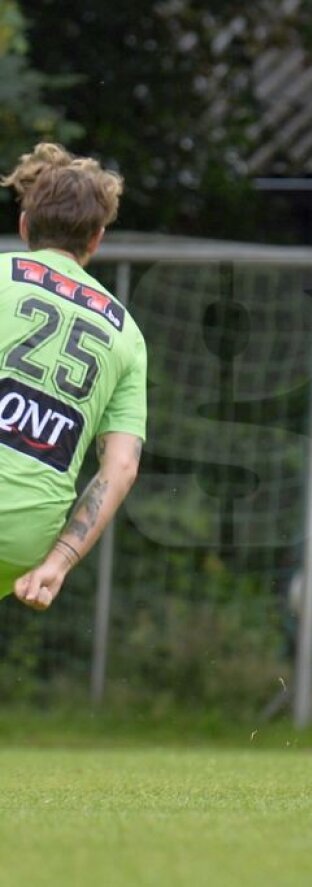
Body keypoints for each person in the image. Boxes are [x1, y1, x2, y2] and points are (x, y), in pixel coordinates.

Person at [1, 143, 146, 609]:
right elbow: (121, 466)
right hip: (23, 541)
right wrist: (58, 561)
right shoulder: (128, 334)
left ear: (24, 225)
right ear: (96, 239)